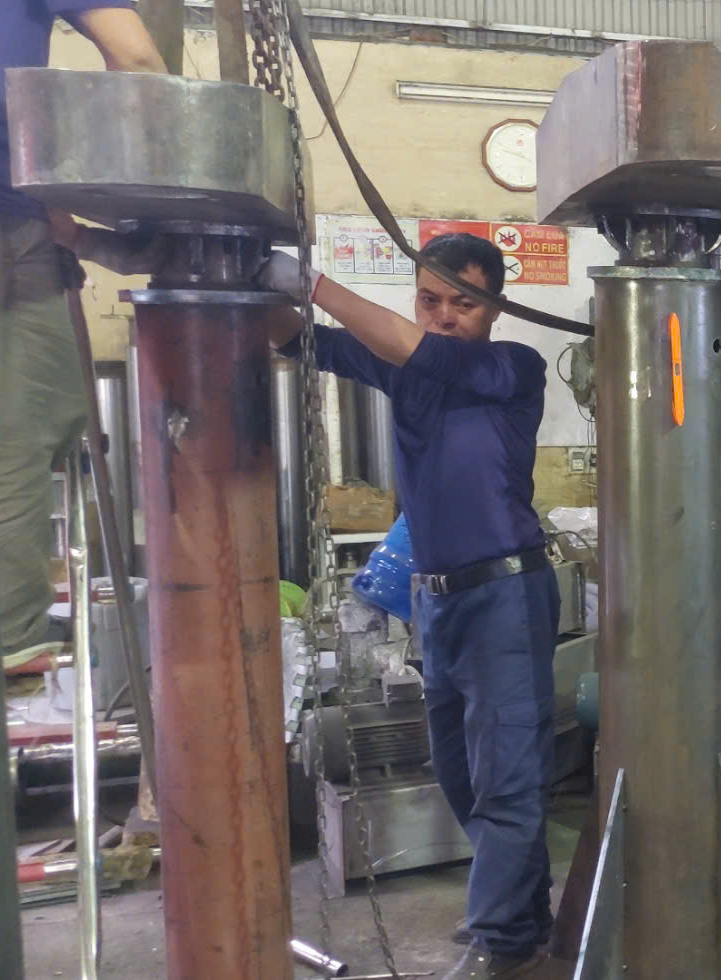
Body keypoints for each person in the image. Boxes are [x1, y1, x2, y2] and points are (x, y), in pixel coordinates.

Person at [261, 234, 557, 980]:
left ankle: (499, 940)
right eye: (429, 300)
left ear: (495, 307)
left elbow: (417, 350)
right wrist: (247, 277)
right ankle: (523, 917)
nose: (445, 316)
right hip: (438, 601)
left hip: (505, 595)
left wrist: (313, 283)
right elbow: (296, 340)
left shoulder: (512, 366)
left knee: (506, 778)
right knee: (460, 774)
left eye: (464, 303)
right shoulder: (407, 372)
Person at [0, 2, 167, 668]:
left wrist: (76, 227)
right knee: (18, 423)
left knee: (43, 406)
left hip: (13, 202)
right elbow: (137, 58)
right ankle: (7, 638)